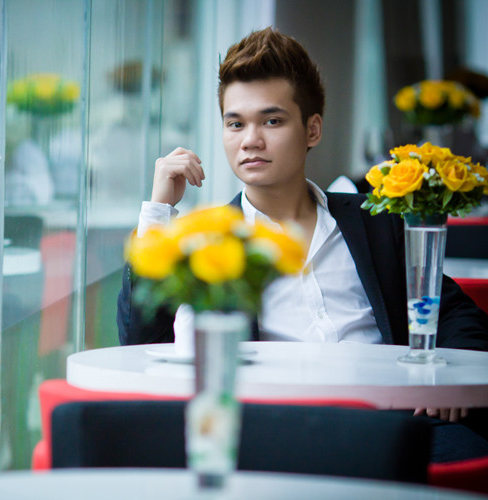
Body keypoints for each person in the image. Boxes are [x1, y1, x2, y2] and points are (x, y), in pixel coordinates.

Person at [117, 27, 488, 459]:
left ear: (312, 130)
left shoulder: (376, 221)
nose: (250, 140)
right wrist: (158, 211)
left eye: (272, 121)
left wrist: (451, 378)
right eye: (235, 123)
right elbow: (140, 342)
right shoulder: (213, 242)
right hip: (280, 432)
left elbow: (455, 312)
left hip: (395, 425)